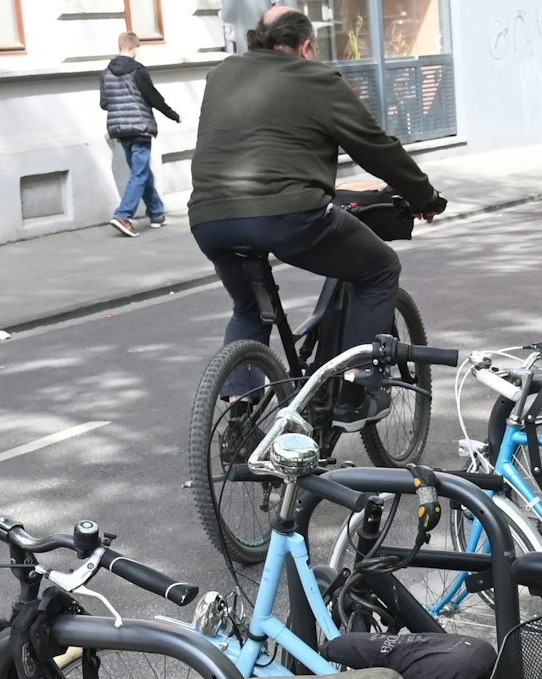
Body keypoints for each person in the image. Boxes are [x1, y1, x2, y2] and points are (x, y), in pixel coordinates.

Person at [187, 6, 445, 421]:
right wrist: (424, 196)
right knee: (379, 269)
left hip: (208, 218)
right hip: (287, 215)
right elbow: (374, 146)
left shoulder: (221, 74)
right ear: (306, 45)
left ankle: (239, 415)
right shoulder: (317, 79)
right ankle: (354, 391)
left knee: (249, 310)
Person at [101, 31, 181, 237]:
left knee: (142, 171)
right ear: (133, 47)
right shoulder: (138, 71)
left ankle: (156, 214)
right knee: (139, 173)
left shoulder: (106, 73)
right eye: (137, 49)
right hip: (140, 127)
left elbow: (104, 103)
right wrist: (173, 115)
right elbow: (153, 98)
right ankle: (123, 215)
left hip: (120, 129)